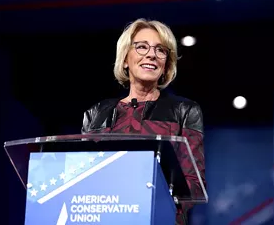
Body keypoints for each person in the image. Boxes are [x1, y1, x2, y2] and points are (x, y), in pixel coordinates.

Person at [81, 18, 206, 225]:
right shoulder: (96, 113)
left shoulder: (185, 111)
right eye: (141, 47)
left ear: (166, 65)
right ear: (125, 59)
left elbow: (194, 184)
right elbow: (83, 178)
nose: (151, 54)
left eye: (161, 50)